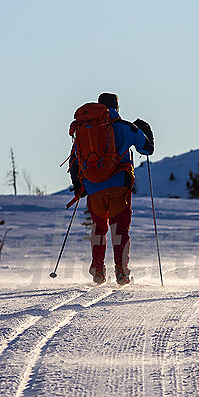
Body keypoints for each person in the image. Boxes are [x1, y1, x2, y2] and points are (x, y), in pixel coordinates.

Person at [69, 92, 154, 285]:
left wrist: (79, 186)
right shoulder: (126, 127)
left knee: (99, 228)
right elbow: (147, 149)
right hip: (119, 186)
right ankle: (122, 271)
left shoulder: (85, 129)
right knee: (119, 229)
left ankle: (98, 269)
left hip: (93, 187)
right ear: (117, 106)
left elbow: (75, 160)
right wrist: (146, 130)